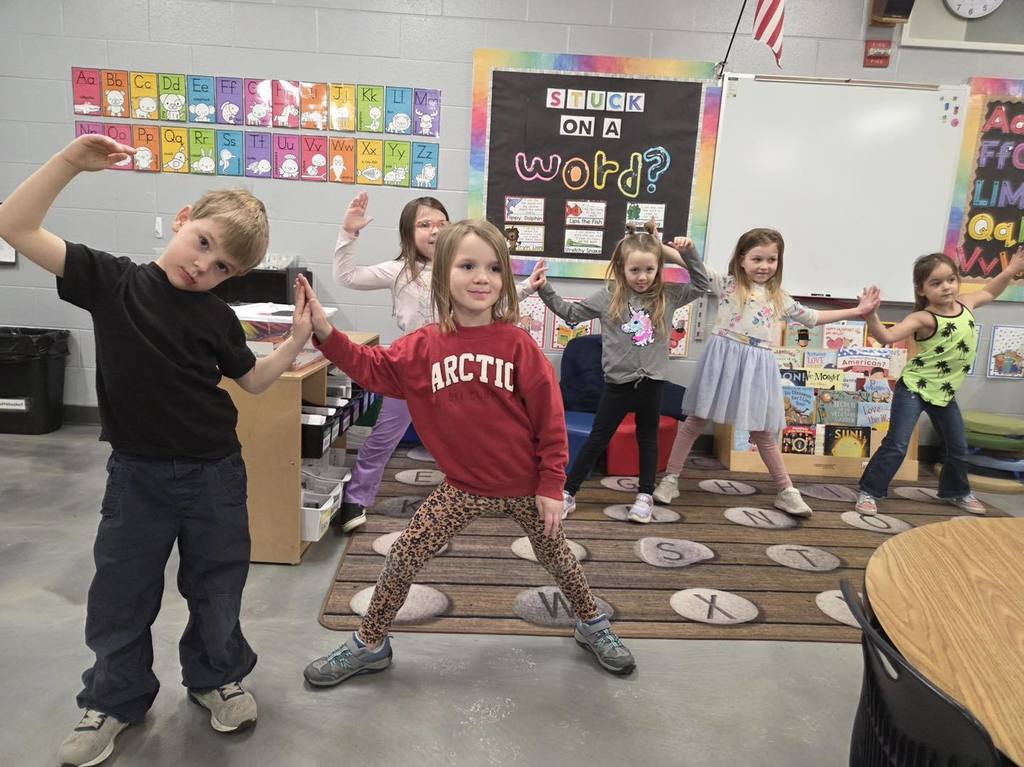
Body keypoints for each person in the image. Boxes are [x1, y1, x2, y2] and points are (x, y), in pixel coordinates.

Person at [0, 134, 313, 767]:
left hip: (215, 476)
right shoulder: (111, 281)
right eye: (202, 244)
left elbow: (251, 381)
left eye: (223, 266)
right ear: (181, 222)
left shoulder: (218, 319)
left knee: (218, 586)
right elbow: (14, 224)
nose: (204, 267)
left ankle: (215, 678)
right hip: (137, 477)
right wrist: (68, 163)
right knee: (122, 591)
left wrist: (297, 340)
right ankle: (113, 700)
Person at [301, 219, 636, 684]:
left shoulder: (518, 345)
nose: (482, 277)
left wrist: (552, 484)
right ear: (443, 274)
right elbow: (372, 367)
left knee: (559, 558)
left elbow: (550, 420)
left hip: (525, 488)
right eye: (467, 265)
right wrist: (325, 332)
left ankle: (591, 624)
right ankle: (369, 644)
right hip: (461, 488)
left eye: (494, 268)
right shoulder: (423, 346)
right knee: (403, 557)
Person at [331, 193, 536, 530]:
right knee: (384, 436)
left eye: (442, 223)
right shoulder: (398, 270)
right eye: (425, 224)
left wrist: (527, 287)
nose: (435, 230)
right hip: (410, 367)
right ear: (408, 234)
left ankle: (486, 492)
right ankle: (356, 499)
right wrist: (348, 233)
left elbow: (493, 301)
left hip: (455, 367)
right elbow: (347, 277)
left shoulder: (460, 271)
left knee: (473, 432)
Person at [653, 228, 879, 516]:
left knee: (762, 430)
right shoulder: (727, 284)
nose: (764, 266)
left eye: (771, 259)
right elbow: (691, 264)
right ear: (742, 259)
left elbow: (812, 317)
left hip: (758, 364)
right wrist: (667, 247)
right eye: (757, 259)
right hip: (723, 358)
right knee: (695, 419)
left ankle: (786, 490)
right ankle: (671, 479)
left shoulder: (778, 297)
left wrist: (856, 311)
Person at [531, 222, 710, 523]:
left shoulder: (667, 295)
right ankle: (569, 492)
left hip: (652, 382)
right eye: (635, 270)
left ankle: (644, 495)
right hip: (617, 384)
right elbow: (571, 315)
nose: (642, 277)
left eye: (649, 270)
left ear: (658, 268)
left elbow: (702, 284)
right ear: (621, 267)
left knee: (647, 439)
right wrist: (545, 289)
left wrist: (689, 254)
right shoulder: (609, 295)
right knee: (598, 439)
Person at [855, 249, 1024, 515]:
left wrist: (1009, 271)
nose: (946, 287)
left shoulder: (967, 303)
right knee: (897, 444)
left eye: (951, 279)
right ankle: (869, 491)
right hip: (914, 388)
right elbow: (886, 337)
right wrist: (871, 315)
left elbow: (991, 291)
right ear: (921, 290)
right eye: (936, 283)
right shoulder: (922, 318)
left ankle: (957, 492)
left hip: (944, 393)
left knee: (957, 446)